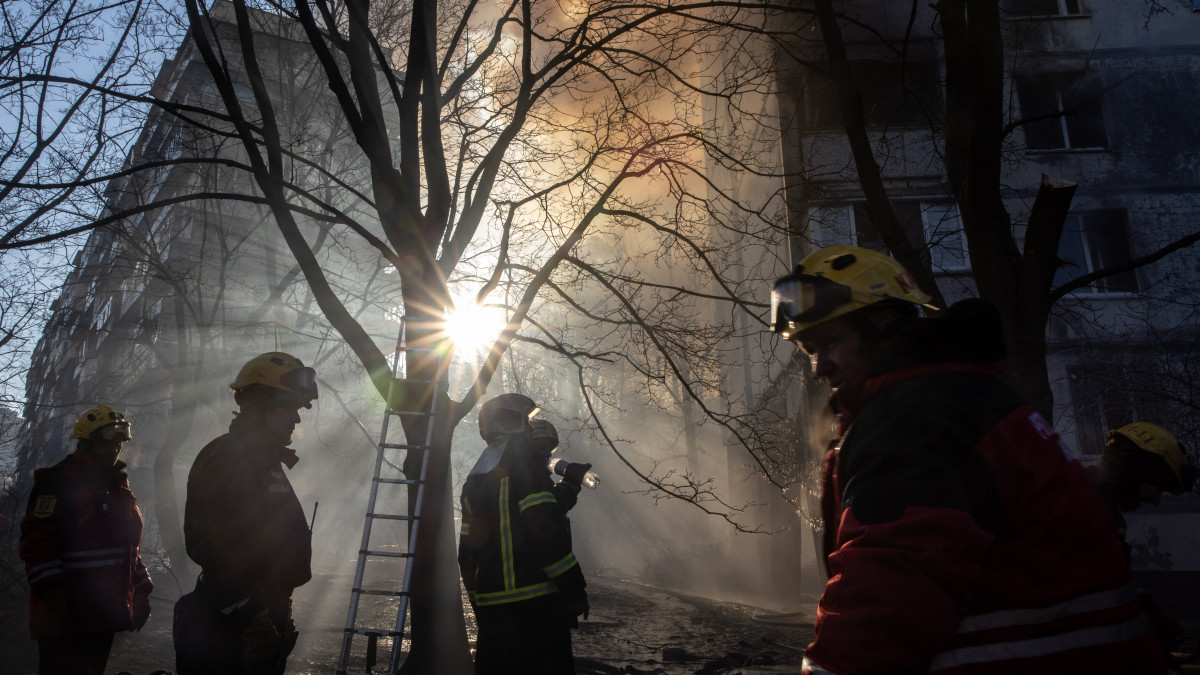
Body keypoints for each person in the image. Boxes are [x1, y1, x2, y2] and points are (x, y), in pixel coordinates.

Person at [770, 244, 1164, 674]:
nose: (818, 366)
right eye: (809, 349)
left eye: (830, 342)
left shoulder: (915, 418)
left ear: (883, 323)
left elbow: (889, 590)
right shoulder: (965, 396)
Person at [174, 352, 317, 675]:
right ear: (261, 404)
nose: (296, 419)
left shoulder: (264, 461)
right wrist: (252, 617)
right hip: (232, 623)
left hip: (263, 609)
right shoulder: (227, 458)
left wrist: (280, 607)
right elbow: (213, 547)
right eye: (290, 408)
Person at [458, 394, 589, 674]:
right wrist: (573, 589)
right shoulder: (525, 463)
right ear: (509, 422)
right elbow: (544, 530)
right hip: (536, 607)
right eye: (526, 422)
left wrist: (478, 601)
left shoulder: (475, 477)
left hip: (493, 612)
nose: (531, 429)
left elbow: (466, 553)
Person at [20, 404, 153, 675]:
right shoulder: (59, 483)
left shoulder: (117, 487)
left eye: (119, 442)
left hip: (104, 614)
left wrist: (141, 590)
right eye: (108, 443)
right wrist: (54, 599)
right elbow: (38, 546)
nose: (116, 449)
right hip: (68, 617)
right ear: (88, 443)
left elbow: (128, 547)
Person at [1091, 422, 1196, 670]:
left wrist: (1140, 604)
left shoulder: (1094, 503)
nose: (1156, 499)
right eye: (1157, 487)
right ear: (1134, 472)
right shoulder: (1092, 512)